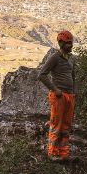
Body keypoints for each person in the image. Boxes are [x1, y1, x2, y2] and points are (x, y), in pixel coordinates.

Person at [37, 30, 77, 162]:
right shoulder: (55, 57)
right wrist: (54, 89)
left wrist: (73, 92)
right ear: (61, 43)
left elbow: (72, 76)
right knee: (56, 125)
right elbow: (42, 75)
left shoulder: (71, 58)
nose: (70, 45)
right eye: (67, 43)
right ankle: (52, 153)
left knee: (66, 125)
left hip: (70, 96)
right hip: (59, 97)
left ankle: (63, 153)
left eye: (71, 43)